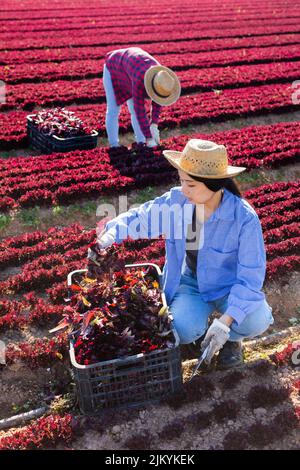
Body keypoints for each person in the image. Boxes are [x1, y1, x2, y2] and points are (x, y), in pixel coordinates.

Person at [87, 139, 274, 369]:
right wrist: (109, 236)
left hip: (229, 286)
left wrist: (226, 323)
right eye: (182, 182)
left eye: (191, 185)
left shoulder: (243, 219)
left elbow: (250, 276)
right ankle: (200, 333)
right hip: (191, 282)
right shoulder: (178, 202)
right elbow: (141, 217)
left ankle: (230, 341)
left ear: (214, 184)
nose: (184, 191)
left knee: (256, 319)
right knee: (181, 328)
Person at [103, 47, 181, 150]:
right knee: (113, 109)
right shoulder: (140, 78)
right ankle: (114, 145)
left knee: (134, 113)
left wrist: (154, 125)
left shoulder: (160, 77)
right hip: (114, 66)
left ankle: (141, 141)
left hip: (130, 68)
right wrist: (149, 137)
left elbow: (157, 101)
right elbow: (139, 109)